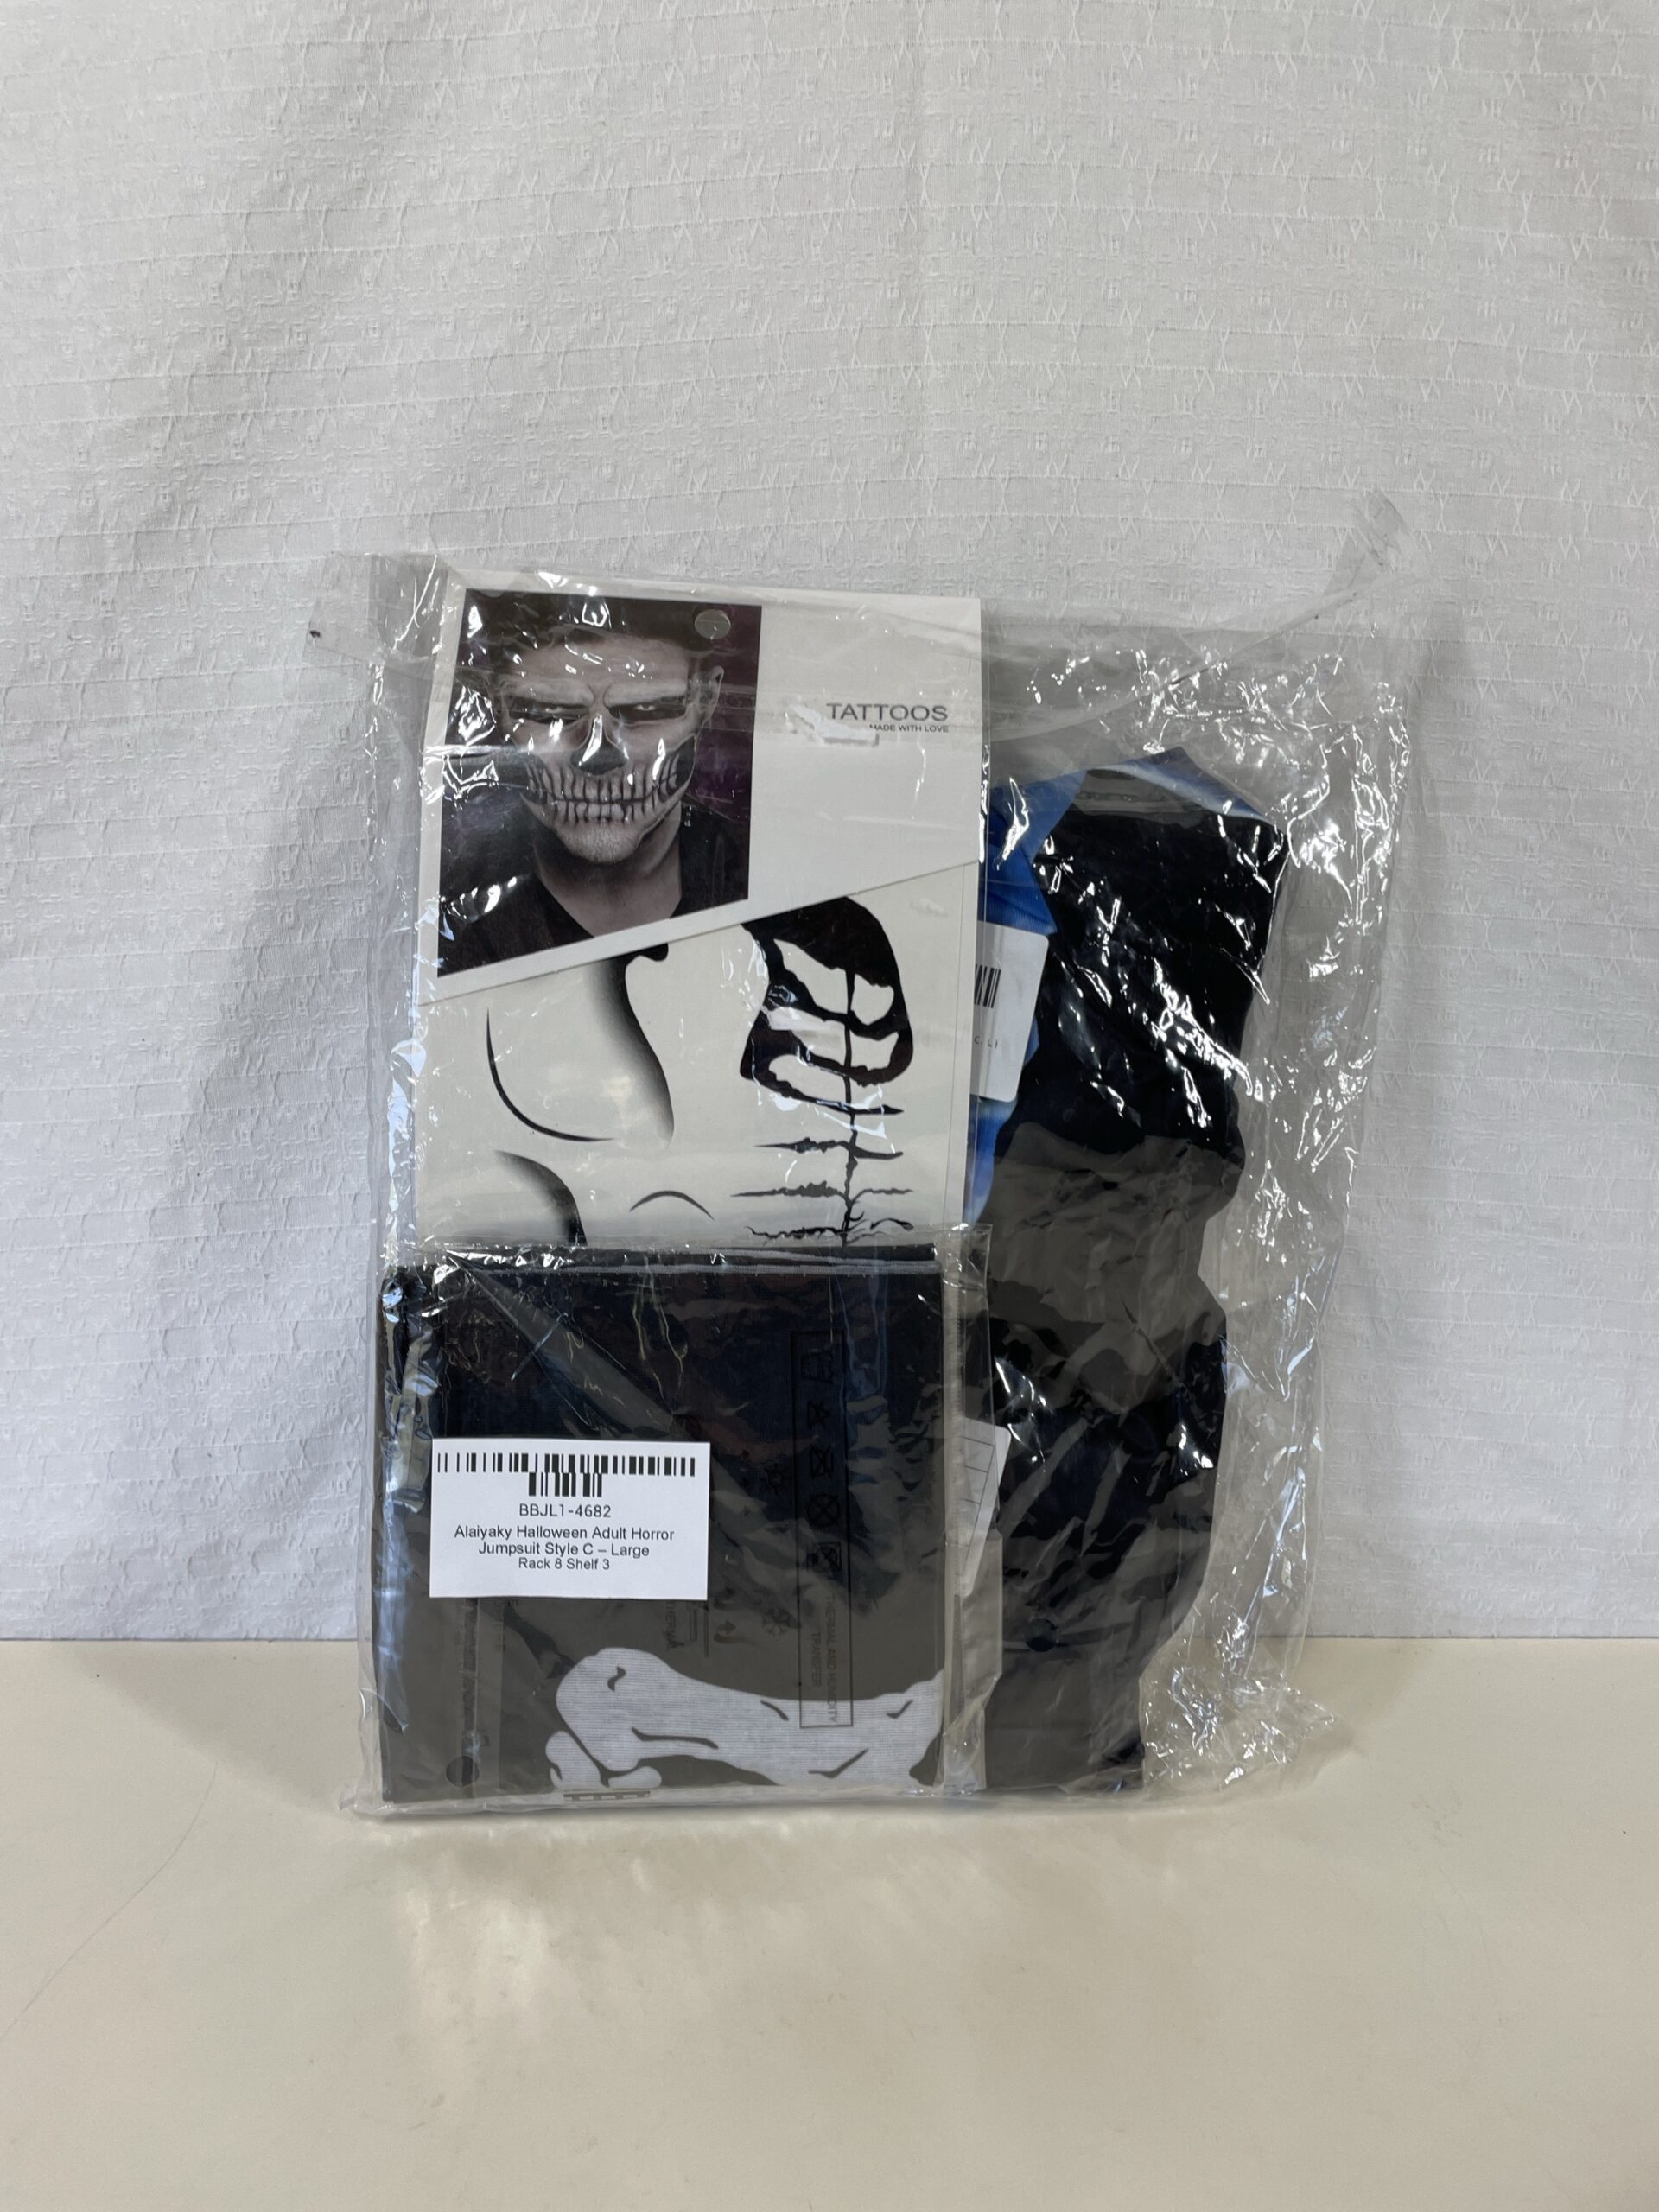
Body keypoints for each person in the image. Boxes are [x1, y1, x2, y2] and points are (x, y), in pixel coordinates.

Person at [438, 596, 749, 973]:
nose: (597, 756)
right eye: (549, 711)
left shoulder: (766, 882)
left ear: (708, 698)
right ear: (496, 705)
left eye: (646, 709)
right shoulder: (449, 917)